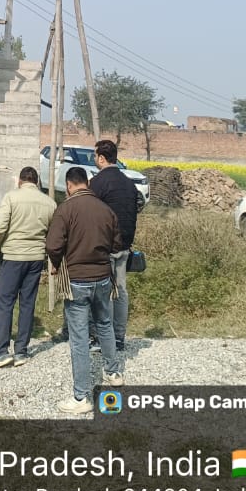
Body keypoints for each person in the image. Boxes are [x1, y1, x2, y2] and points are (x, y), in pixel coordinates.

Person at [46, 165, 123, 416]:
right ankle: (113, 372)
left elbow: (53, 245)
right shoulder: (106, 209)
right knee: (105, 324)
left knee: (79, 338)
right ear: (87, 183)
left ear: (69, 186)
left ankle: (81, 396)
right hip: (103, 277)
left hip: (77, 280)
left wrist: (56, 264)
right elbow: (116, 244)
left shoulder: (65, 209)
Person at [0, 166, 56, 369]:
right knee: (27, 304)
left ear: (20, 181)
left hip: (13, 256)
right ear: (37, 181)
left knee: (5, 303)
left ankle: (1, 351)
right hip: (36, 257)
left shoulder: (11, 197)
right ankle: (21, 351)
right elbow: (54, 233)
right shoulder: (49, 203)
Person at [89, 139, 138, 354]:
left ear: (101, 158)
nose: (94, 159)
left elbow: (89, 212)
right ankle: (119, 338)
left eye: (94, 155)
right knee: (121, 291)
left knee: (105, 293)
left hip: (104, 246)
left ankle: (103, 338)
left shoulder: (97, 183)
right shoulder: (128, 183)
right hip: (125, 245)